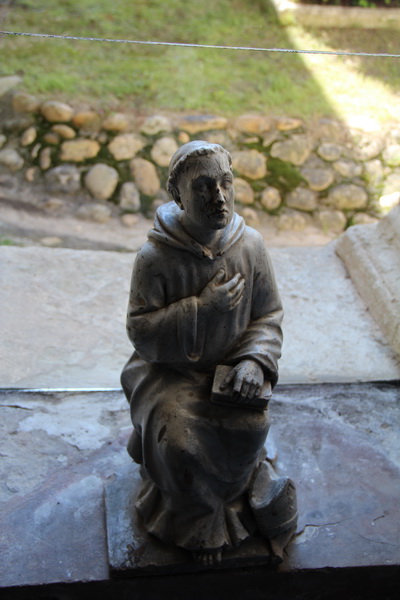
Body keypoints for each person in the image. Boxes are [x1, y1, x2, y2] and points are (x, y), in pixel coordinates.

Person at [121, 141, 297, 565]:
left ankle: (237, 498)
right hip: (168, 377)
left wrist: (252, 361)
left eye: (225, 183)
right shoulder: (154, 258)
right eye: (202, 187)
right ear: (178, 196)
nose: (218, 196)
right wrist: (202, 308)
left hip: (230, 371)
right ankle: (195, 522)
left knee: (251, 425)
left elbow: (268, 314)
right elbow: (140, 330)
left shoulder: (249, 246)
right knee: (179, 442)